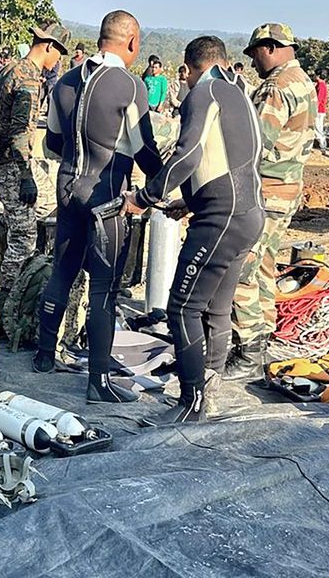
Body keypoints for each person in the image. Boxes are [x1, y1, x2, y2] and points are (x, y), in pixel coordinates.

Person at [123, 36, 265, 422]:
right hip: (248, 213)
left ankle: (191, 402)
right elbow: (236, 158)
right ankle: (211, 384)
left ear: (187, 69)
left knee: (182, 308)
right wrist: (190, 201)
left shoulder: (204, 94)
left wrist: (145, 196)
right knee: (217, 308)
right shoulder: (240, 92)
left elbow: (187, 155)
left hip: (222, 218)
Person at [31, 11, 160, 404]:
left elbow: (51, 143)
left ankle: (43, 356)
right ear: (132, 42)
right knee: (104, 288)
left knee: (62, 271)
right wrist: (165, 185)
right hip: (106, 196)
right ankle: (98, 382)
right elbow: (144, 151)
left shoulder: (66, 81)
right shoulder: (130, 85)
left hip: (67, 188)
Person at [225, 23, 317, 379]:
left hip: (265, 192)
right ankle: (261, 342)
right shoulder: (304, 83)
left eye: (255, 55)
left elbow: (253, 143)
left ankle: (248, 351)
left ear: (270, 47)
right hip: (287, 190)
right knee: (265, 267)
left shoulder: (276, 89)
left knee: (243, 269)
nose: (253, 64)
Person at [0, 22, 71, 325]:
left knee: (27, 222)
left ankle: (8, 296)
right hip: (13, 164)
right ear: (49, 47)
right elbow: (20, 132)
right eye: (58, 54)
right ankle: (4, 309)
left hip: (1, 158)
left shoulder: (11, 69)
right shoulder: (30, 80)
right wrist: (25, 174)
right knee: (23, 236)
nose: (57, 61)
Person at [314, 69, 327, 150]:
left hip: (319, 110)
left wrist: (314, 108)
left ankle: (322, 145)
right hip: (319, 109)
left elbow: (319, 99)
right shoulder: (320, 85)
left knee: (318, 128)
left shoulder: (321, 85)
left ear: (318, 76)